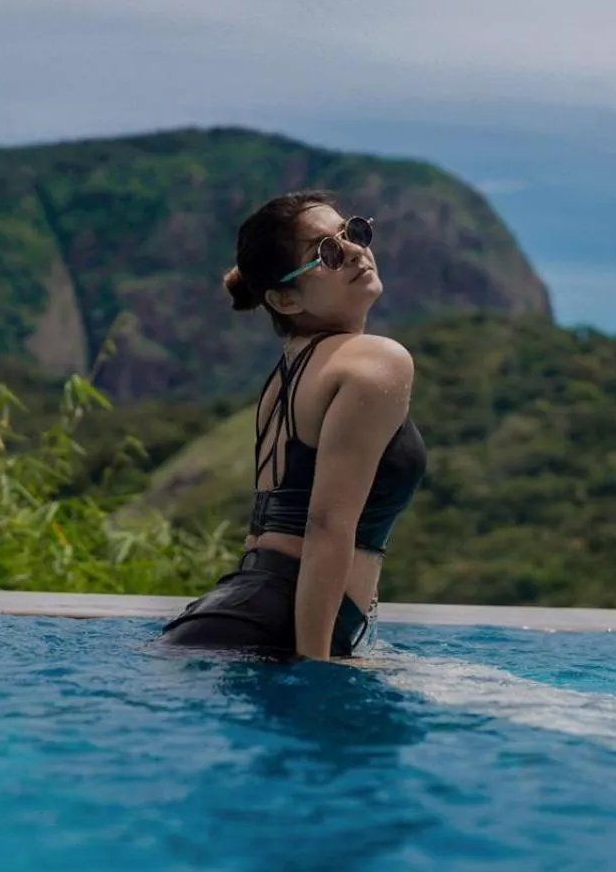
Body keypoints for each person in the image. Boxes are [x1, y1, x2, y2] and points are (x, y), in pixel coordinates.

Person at [158, 190, 428, 661]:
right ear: (284, 299)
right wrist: (315, 667)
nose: (353, 251)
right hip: (276, 626)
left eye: (353, 233)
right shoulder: (377, 360)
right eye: (326, 253)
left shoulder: (288, 374)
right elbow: (326, 524)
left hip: (234, 612)